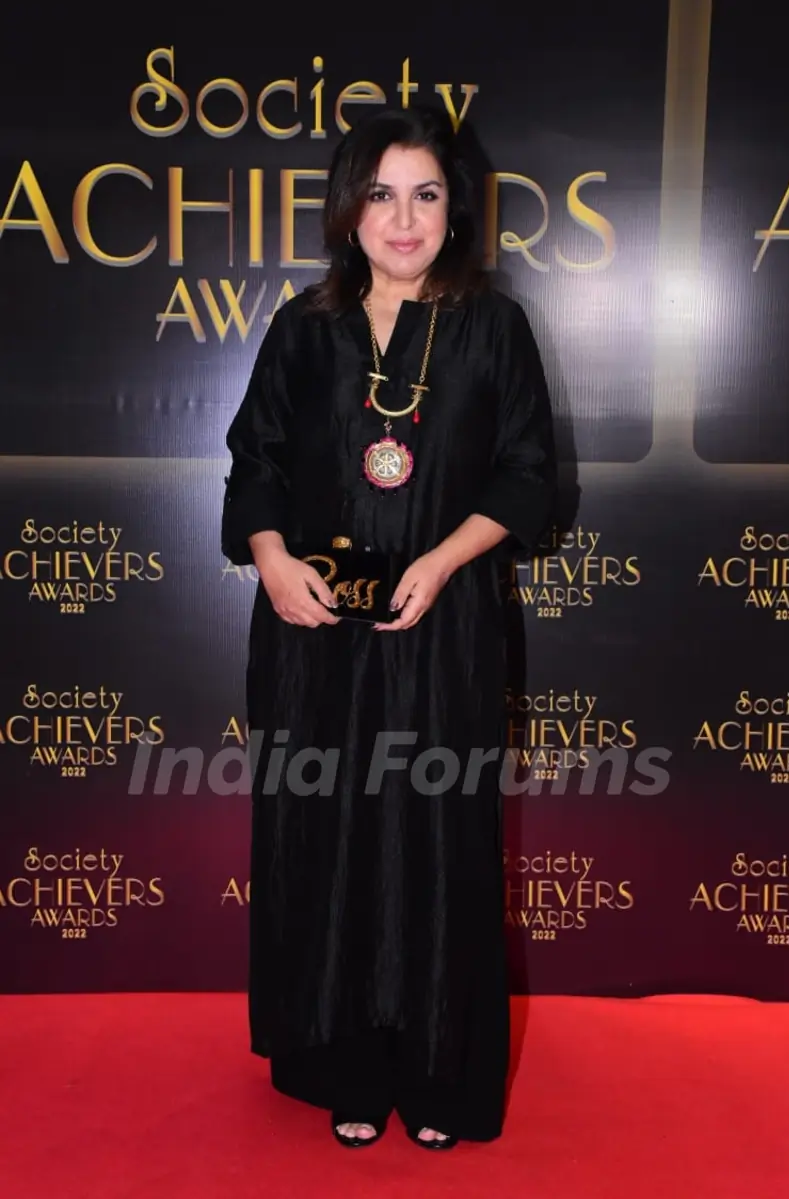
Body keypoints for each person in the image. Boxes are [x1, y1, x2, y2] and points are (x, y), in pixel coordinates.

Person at [221, 104, 556, 1151]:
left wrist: (442, 560)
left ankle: (439, 1075)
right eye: (380, 194)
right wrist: (272, 560)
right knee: (326, 840)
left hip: (443, 632)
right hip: (313, 636)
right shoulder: (302, 328)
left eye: (425, 194)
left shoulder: (493, 327)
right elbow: (254, 462)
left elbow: (528, 476)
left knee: (437, 841)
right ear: (347, 207)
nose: (403, 220)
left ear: (455, 210)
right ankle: (346, 1068)